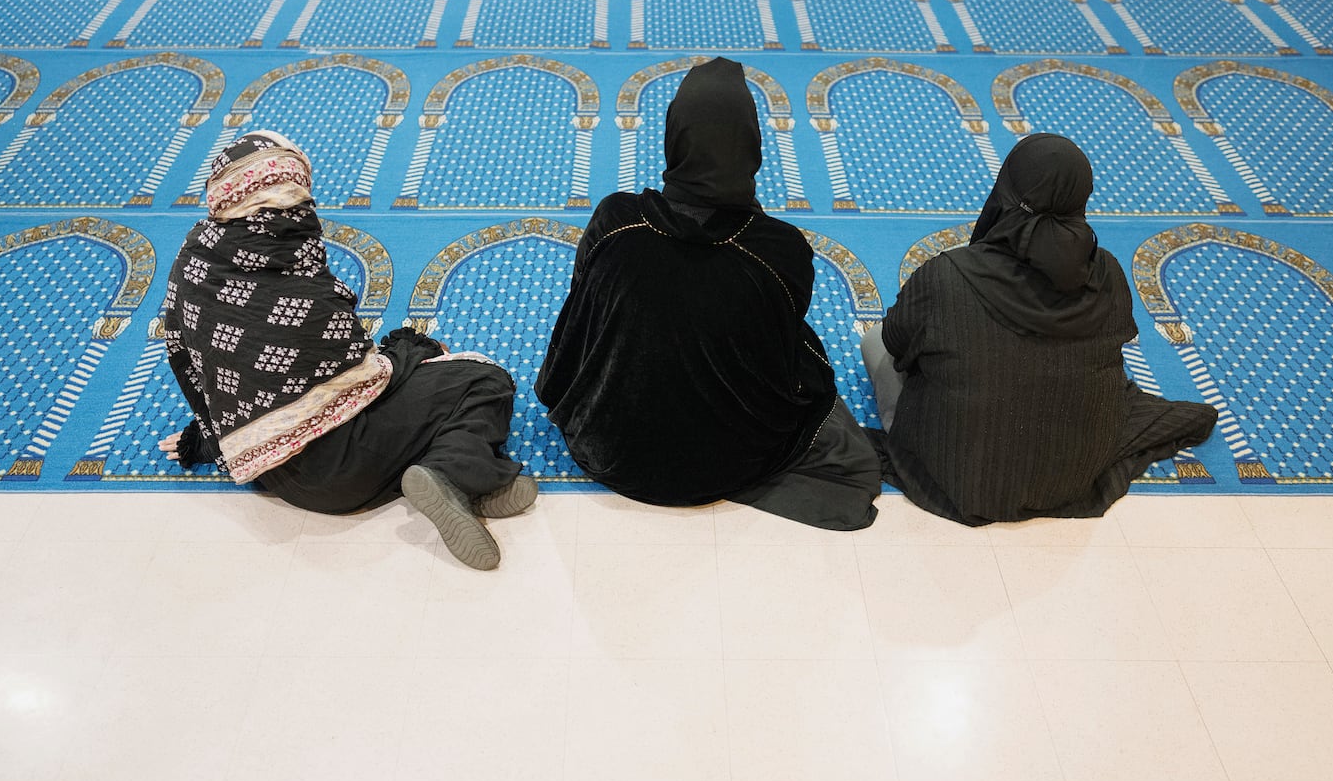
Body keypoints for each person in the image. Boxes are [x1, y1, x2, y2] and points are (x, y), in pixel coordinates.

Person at [159, 130, 535, 569]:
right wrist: (417, 348)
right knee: (480, 377)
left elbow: (203, 363)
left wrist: (207, 440)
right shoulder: (300, 276)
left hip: (281, 478)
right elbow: (368, 377)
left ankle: (462, 478)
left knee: (411, 372)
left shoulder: (195, 260)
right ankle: (459, 475)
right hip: (349, 466)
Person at [535, 57, 880, 530]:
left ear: (674, 136)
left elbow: (579, 320)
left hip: (608, 452)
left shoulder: (617, 221)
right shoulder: (778, 249)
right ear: (752, 145)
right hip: (733, 466)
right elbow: (778, 343)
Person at [864, 132, 1217, 526]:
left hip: (959, 473)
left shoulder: (946, 275)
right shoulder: (1108, 273)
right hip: (1068, 477)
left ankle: (915, 433)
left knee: (874, 341)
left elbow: (895, 342)